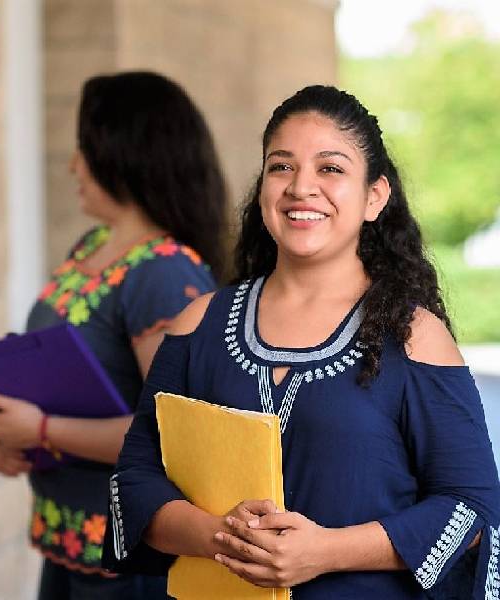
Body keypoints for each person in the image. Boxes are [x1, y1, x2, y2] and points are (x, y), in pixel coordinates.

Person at [103, 85, 500, 598]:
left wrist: (325, 552)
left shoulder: (414, 334)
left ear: (374, 197)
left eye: (330, 169)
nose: (301, 187)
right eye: (281, 166)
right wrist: (223, 536)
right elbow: (133, 483)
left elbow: (471, 508)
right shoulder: (196, 324)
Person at [0, 71, 229, 599]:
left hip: (127, 559)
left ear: (126, 153)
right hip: (69, 545)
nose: (73, 166)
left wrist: (42, 430)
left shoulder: (164, 272)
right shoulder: (89, 247)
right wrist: (14, 440)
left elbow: (169, 433)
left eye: (84, 149)